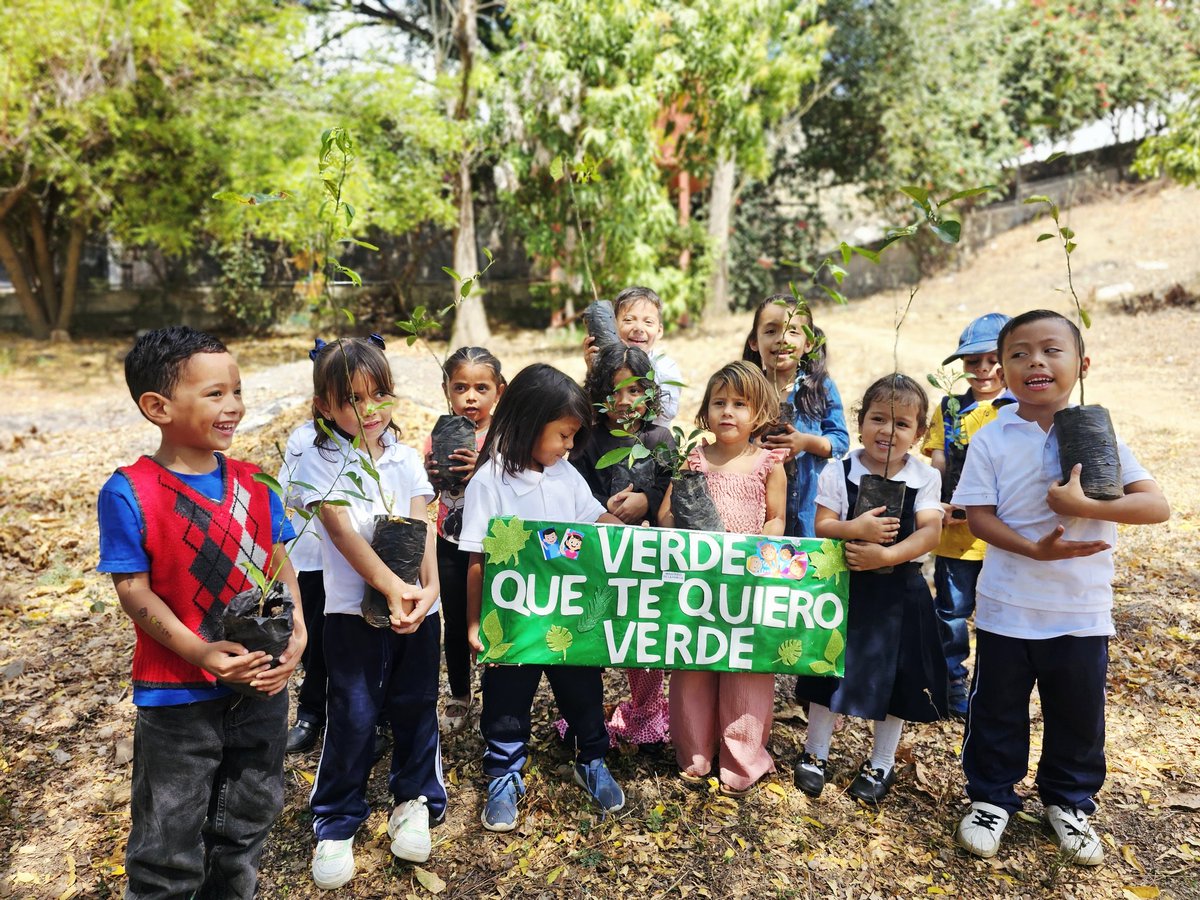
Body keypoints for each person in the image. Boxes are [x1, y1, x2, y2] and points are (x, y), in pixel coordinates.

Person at [952, 310, 1168, 866]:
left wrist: (1085, 505)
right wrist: (1032, 548)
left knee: (1077, 713)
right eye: (1019, 354)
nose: (1035, 362)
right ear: (1001, 369)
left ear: (1082, 365)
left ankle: (1069, 801)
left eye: (1051, 350)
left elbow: (1156, 506)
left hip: (1080, 609)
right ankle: (990, 798)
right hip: (1007, 606)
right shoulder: (993, 437)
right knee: (997, 708)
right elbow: (978, 516)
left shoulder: (1097, 436)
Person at [96, 326, 306, 900]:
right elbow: (134, 592)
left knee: (246, 825)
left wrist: (300, 635)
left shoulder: (255, 484)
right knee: (168, 844)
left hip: (260, 691)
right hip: (178, 698)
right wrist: (201, 651)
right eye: (215, 394)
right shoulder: (131, 492)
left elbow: (280, 563)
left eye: (237, 391)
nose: (234, 406)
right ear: (157, 407)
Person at [293, 336, 443, 889]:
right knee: (352, 713)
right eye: (353, 400)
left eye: (379, 394)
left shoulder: (404, 458)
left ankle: (415, 800)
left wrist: (427, 592)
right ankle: (336, 821)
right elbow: (342, 535)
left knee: (415, 705)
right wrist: (394, 588)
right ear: (325, 407)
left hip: (417, 616)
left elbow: (420, 521)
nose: (369, 410)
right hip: (348, 617)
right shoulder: (319, 463)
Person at [461, 363, 625, 832]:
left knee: (584, 691)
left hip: (571, 619)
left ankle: (591, 758)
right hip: (513, 621)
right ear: (530, 423)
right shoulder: (490, 483)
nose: (569, 447)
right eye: (563, 435)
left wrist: (632, 535)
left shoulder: (566, 475)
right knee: (507, 700)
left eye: (573, 437)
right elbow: (476, 560)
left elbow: (595, 520)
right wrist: (474, 624)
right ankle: (504, 773)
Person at [792, 374, 947, 804]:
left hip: (902, 590)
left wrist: (886, 557)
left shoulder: (924, 477)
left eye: (901, 424)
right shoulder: (840, 469)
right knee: (830, 667)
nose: (888, 431)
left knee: (896, 679)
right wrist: (854, 530)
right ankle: (815, 752)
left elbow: (931, 533)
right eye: (878, 418)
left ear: (918, 434)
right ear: (861, 422)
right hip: (845, 586)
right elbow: (822, 525)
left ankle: (881, 762)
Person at [659, 361, 788, 797]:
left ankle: (741, 759)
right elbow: (665, 515)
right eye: (719, 402)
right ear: (705, 412)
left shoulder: (768, 464)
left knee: (745, 670)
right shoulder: (693, 460)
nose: (728, 412)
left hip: (745, 587)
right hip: (696, 584)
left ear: (760, 413)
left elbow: (776, 519)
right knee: (693, 664)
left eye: (739, 404)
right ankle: (694, 752)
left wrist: (756, 550)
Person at [572, 343, 676, 747]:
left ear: (650, 393)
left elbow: (672, 487)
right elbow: (575, 489)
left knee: (643, 633)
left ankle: (647, 711)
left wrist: (646, 499)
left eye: (635, 390)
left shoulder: (660, 436)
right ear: (598, 393)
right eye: (614, 391)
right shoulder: (588, 439)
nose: (625, 401)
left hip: (644, 559)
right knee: (592, 628)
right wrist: (606, 511)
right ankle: (584, 714)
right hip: (596, 554)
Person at [922, 312, 1013, 718]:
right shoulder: (949, 409)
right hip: (956, 535)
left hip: (1005, 536)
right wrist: (937, 502)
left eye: (993, 359)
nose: (983, 370)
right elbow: (937, 463)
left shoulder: (1018, 408)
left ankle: (995, 684)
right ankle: (952, 680)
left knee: (1001, 615)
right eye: (972, 362)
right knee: (952, 615)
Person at [423, 346, 506, 732]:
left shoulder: (504, 437)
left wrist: (483, 468)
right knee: (454, 619)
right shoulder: (440, 432)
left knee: (494, 614)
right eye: (461, 387)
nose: (470, 397)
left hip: (496, 544)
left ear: (499, 392)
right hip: (451, 539)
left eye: (481, 388)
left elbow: (512, 482)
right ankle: (459, 691)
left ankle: (496, 688)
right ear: (446, 390)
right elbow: (429, 491)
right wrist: (430, 473)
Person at [743, 293, 849, 538]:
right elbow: (730, 436)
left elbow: (840, 441)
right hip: (759, 505)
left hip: (809, 503)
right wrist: (752, 448)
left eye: (793, 331)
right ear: (754, 342)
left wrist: (805, 442)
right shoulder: (747, 389)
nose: (781, 339)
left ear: (809, 343)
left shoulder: (820, 388)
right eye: (770, 331)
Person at [583, 285, 683, 425]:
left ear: (659, 330)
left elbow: (667, 412)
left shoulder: (665, 367)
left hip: (650, 442)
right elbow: (591, 413)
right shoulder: (607, 364)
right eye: (629, 320)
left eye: (648, 322)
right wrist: (593, 371)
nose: (638, 328)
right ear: (614, 326)